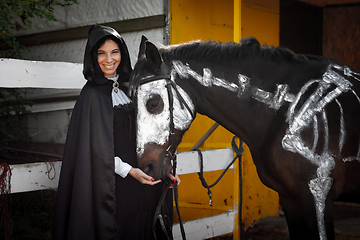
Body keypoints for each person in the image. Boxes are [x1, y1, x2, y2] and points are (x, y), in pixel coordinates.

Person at [53, 25, 176, 240]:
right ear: (93, 56)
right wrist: (129, 171)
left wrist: (163, 168)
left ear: (123, 53)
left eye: (114, 52)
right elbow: (94, 151)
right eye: (101, 53)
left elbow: (149, 135)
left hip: (143, 178)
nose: (108, 59)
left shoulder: (133, 88)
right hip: (112, 183)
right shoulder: (90, 96)